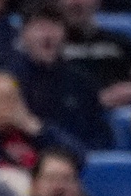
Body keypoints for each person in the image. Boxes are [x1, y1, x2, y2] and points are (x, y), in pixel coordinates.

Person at [8, 9, 111, 153]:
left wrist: (42, 132)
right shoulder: (8, 80)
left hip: (75, 162)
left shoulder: (81, 81)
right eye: (40, 27)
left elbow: (100, 140)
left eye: (54, 27)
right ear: (23, 34)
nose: (47, 35)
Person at [55, 0, 131, 109]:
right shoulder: (51, 46)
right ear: (58, 0)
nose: (76, 1)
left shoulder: (120, 42)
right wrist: (97, 99)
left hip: (122, 115)